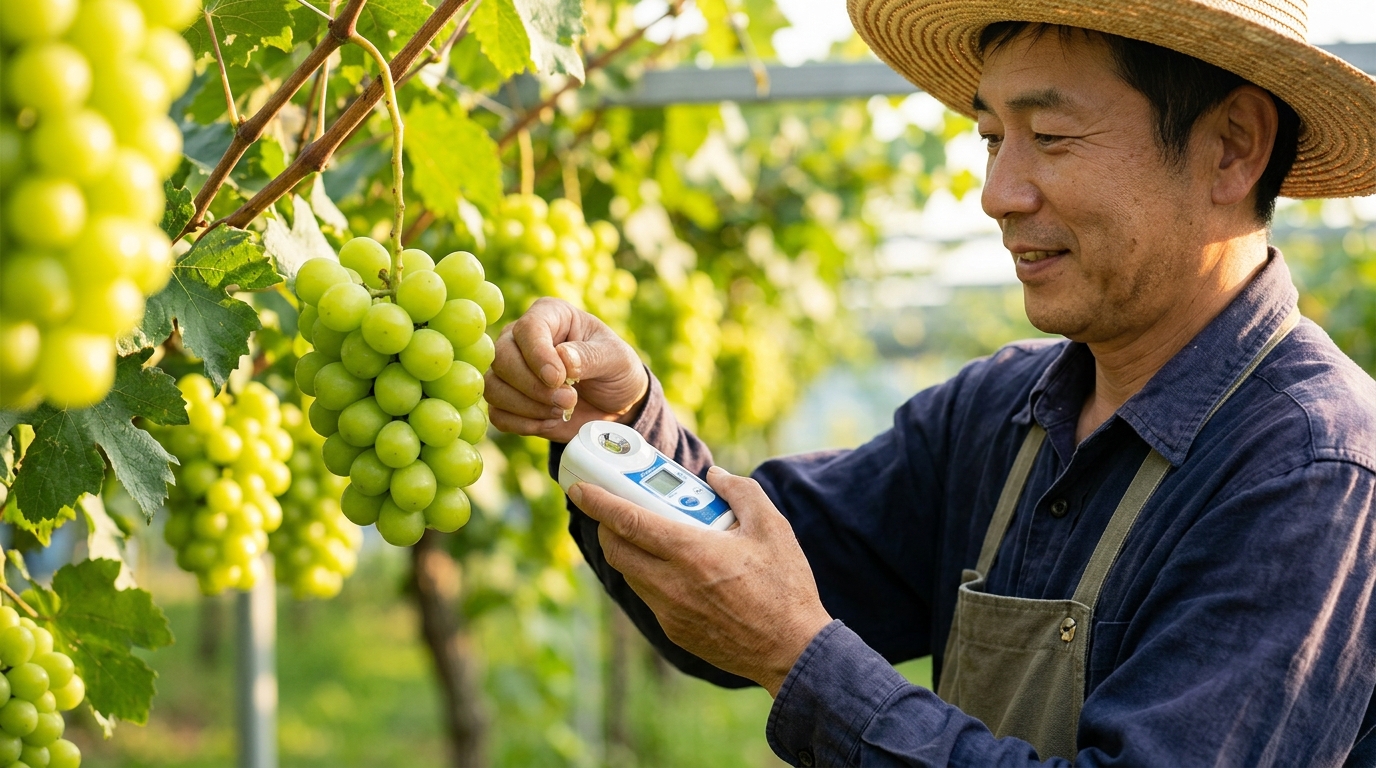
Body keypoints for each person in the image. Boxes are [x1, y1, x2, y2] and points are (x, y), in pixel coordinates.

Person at [485, 0, 1376, 763]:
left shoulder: (1313, 472)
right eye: (992, 136)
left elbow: (775, 620)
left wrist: (800, 657)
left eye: (1052, 136)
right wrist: (621, 428)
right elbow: (749, 574)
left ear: (1232, 148)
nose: (997, 192)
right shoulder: (998, 417)